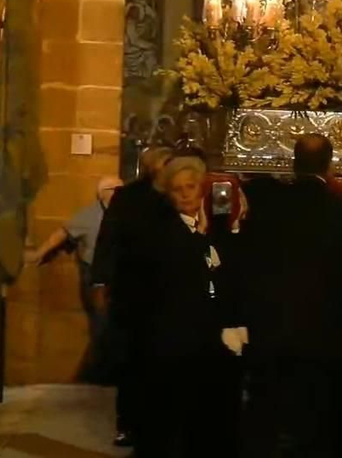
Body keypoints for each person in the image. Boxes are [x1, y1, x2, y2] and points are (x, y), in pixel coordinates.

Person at [237, 133, 342, 458]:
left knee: (268, 422)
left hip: (272, 333)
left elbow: (246, 267)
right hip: (327, 339)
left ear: (294, 164)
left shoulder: (264, 206)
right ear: (330, 166)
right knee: (320, 428)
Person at [134, 155, 243, 457]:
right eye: (177, 189)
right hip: (177, 342)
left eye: (191, 187)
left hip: (210, 342)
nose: (185, 194)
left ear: (202, 189)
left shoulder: (215, 229)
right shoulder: (164, 234)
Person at [92, 145, 174, 448]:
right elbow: (108, 240)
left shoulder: (174, 196)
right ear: (153, 167)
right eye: (167, 163)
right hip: (133, 292)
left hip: (167, 292)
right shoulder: (127, 198)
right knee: (131, 362)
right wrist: (100, 281)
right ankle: (127, 423)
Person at [34, 176, 124, 378]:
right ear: (105, 193)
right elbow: (63, 233)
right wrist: (39, 254)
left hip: (119, 277)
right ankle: (98, 375)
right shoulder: (90, 215)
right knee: (101, 326)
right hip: (96, 277)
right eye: (117, 189)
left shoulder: (126, 214)